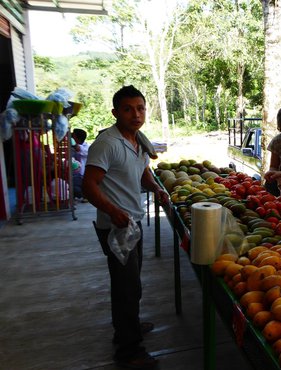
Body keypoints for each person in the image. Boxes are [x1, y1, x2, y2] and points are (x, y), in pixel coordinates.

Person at [83, 85, 168, 370]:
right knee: (125, 288)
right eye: (128, 109)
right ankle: (128, 349)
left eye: (141, 108)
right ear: (115, 112)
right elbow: (89, 185)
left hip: (133, 222)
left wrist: (156, 188)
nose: (136, 114)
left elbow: (143, 171)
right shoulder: (107, 143)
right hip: (115, 227)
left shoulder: (138, 141)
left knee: (132, 283)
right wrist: (112, 210)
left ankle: (129, 325)